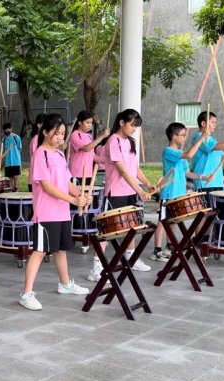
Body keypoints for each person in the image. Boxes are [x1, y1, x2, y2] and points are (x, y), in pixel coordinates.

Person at [18, 114, 90, 311]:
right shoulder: (40, 154)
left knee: (61, 249)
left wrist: (81, 194)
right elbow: (48, 186)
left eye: (63, 134)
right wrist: (74, 200)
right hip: (46, 212)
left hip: (61, 212)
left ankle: (65, 284)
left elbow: (66, 183)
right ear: (45, 132)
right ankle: (26, 294)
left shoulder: (59, 155)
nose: (60, 138)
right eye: (56, 133)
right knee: (40, 252)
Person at [88, 109, 155, 281]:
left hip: (130, 191)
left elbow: (135, 168)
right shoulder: (113, 141)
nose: (134, 129)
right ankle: (96, 267)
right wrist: (140, 191)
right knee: (107, 230)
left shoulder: (130, 142)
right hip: (115, 191)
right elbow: (123, 170)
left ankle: (131, 258)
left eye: (136, 126)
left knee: (131, 226)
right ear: (121, 122)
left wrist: (147, 183)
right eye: (132, 125)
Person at [151, 122, 208, 262]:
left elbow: (187, 173)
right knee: (163, 221)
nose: (184, 138)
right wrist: (201, 138)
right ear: (173, 136)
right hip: (168, 192)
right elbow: (189, 155)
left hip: (179, 194)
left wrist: (202, 177)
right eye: (182, 135)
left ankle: (169, 247)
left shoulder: (180, 154)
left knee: (173, 221)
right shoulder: (168, 151)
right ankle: (156, 251)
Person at [68, 110, 109, 187]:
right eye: (87, 122)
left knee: (87, 197)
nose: (90, 125)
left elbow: (92, 155)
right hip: (77, 173)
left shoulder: (88, 136)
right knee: (78, 197)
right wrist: (102, 136)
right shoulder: (75, 135)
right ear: (80, 123)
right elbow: (86, 148)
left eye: (91, 123)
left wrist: (107, 160)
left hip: (89, 173)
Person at [1, 122, 23, 189]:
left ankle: (16, 190)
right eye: (5, 129)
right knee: (10, 177)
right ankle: (11, 190)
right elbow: (4, 151)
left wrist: (16, 156)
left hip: (16, 161)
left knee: (16, 176)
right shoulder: (4, 139)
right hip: (8, 162)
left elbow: (20, 148)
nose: (6, 130)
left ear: (11, 129)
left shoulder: (16, 137)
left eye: (8, 129)